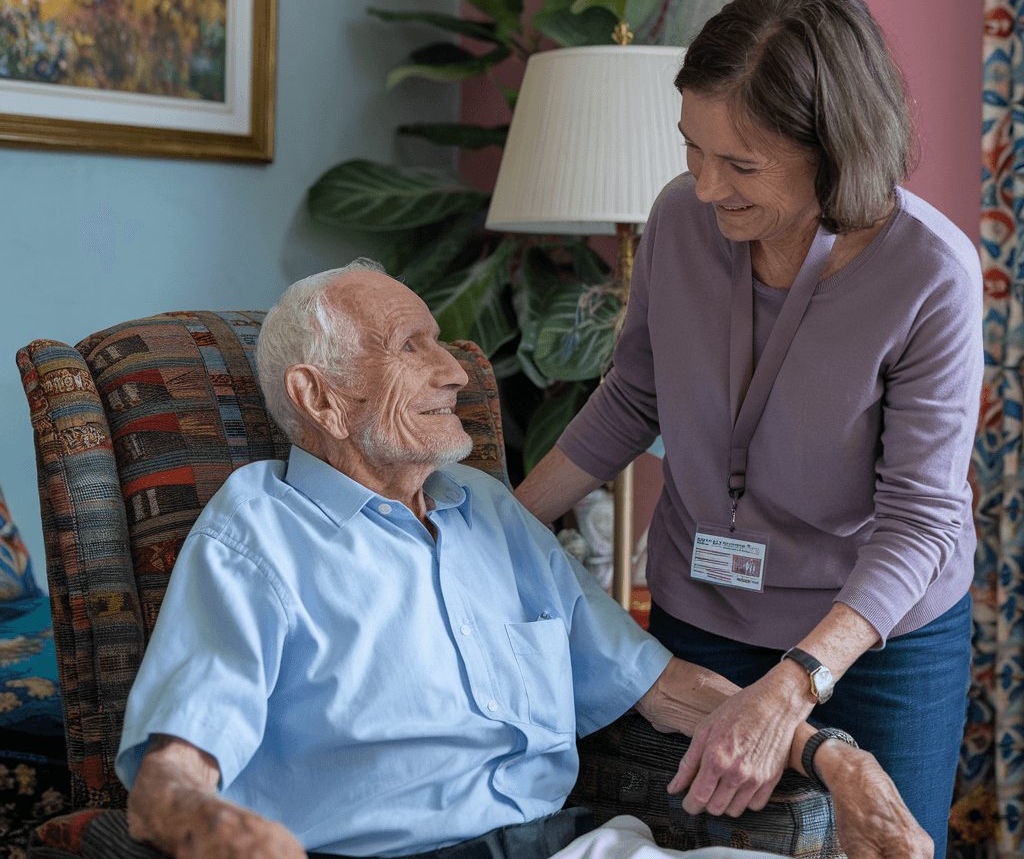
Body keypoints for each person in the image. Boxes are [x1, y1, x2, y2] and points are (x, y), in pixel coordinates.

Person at [115, 262, 930, 859]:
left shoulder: (490, 509)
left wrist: (836, 757)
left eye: (441, 339)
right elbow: (168, 778)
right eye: (411, 346)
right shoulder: (258, 532)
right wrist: (220, 833)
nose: (456, 369)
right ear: (319, 397)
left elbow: (666, 689)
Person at [515, 0, 982, 855]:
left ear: (836, 152)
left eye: (740, 165)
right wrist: (495, 525)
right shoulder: (679, 222)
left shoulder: (930, 275)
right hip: (707, 607)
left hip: (876, 631)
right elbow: (630, 399)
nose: (703, 187)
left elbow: (921, 520)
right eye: (692, 148)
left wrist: (800, 679)